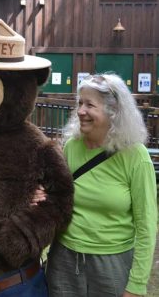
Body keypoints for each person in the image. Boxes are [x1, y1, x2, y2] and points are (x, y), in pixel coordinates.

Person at [33, 73, 158, 297]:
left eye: (90, 104)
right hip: (64, 260)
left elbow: (147, 225)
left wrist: (137, 284)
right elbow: (60, 196)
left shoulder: (135, 156)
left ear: (113, 111)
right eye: (79, 103)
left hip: (113, 264)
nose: (80, 111)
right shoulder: (72, 146)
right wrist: (42, 194)